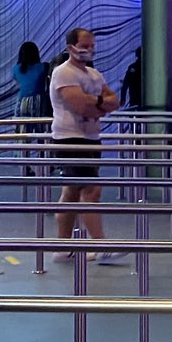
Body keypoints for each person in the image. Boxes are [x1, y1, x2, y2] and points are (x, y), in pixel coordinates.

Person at [49, 26, 125, 266]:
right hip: (70, 138)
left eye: (92, 45)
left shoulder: (94, 74)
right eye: (85, 45)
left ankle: (62, 247)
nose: (90, 49)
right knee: (91, 190)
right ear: (71, 47)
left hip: (91, 137)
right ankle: (100, 245)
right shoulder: (63, 73)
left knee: (72, 192)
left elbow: (115, 101)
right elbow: (80, 106)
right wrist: (100, 104)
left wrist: (96, 103)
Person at [12, 41, 49, 124]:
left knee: (22, 126)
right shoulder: (43, 67)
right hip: (38, 101)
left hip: (22, 102)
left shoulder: (15, 69)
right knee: (39, 126)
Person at [119, 46, 143, 111]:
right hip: (137, 99)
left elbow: (125, 84)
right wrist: (123, 97)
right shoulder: (133, 67)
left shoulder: (132, 67)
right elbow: (125, 83)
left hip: (136, 99)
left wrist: (123, 98)